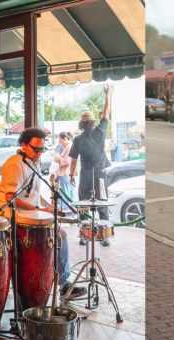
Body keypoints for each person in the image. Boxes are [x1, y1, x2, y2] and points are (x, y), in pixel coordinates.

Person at [0, 127, 86, 300]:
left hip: (28, 215)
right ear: (23, 145)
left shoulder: (32, 161)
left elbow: (33, 193)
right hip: (11, 216)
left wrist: (46, 205)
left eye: (42, 149)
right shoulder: (15, 164)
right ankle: (60, 284)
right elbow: (10, 197)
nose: (39, 153)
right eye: (36, 149)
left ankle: (60, 283)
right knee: (60, 235)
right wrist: (37, 209)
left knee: (60, 235)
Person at [69, 84, 111, 246]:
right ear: (93, 122)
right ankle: (104, 237)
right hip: (100, 174)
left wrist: (71, 175)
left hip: (86, 175)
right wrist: (108, 94)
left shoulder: (78, 139)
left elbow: (73, 159)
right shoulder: (100, 132)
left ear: (81, 124)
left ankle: (84, 236)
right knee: (102, 203)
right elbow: (106, 113)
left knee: (83, 204)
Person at [51, 132, 73, 212]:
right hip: (64, 173)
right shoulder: (66, 147)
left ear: (65, 139)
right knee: (67, 192)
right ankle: (67, 210)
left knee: (65, 193)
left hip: (65, 173)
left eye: (60, 139)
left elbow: (67, 162)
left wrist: (58, 157)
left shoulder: (69, 147)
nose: (59, 141)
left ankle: (65, 210)